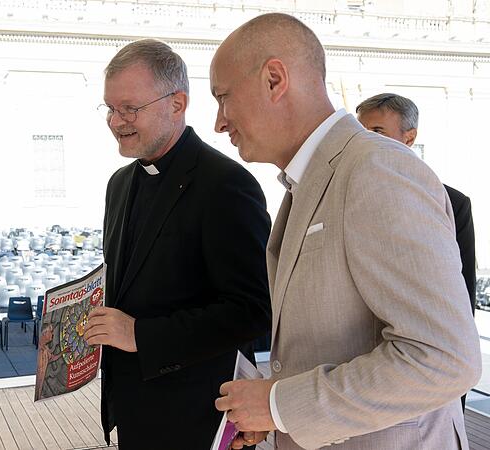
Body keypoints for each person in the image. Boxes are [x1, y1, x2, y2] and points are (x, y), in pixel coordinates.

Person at [210, 13, 480, 450]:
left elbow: (444, 358)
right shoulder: (314, 179)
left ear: (274, 79)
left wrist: (281, 406)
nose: (219, 122)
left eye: (223, 97)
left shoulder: (377, 170)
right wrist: (275, 411)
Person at [84, 39, 272, 449]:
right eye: (110, 109)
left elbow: (253, 311)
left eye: (130, 108)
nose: (117, 121)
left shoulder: (226, 184)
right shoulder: (119, 185)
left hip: (201, 415)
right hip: (135, 410)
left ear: (177, 103)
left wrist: (141, 335)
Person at [356, 93, 476, 313]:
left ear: (409, 138)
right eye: (360, 132)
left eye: (377, 132)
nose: (364, 140)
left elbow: (464, 293)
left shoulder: (453, 203)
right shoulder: (344, 196)